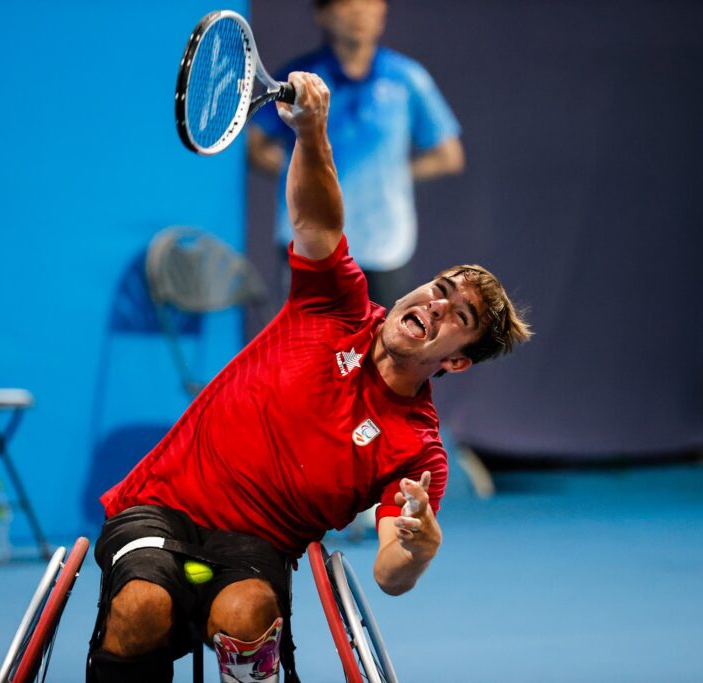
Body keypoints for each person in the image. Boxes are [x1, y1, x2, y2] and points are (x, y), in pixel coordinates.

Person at [86, 72, 530, 683]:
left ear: (456, 360)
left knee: (246, 614)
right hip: (161, 504)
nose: (436, 304)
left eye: (460, 316)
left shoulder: (415, 449)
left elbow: (389, 570)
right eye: (441, 288)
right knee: (143, 607)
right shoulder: (336, 305)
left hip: (256, 544)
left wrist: (418, 547)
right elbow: (318, 221)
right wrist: (311, 130)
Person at [249, 0, 464, 310]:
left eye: (371, 3)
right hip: (311, 247)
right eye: (349, 4)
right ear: (322, 14)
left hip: (386, 248)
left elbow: (448, 155)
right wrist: (309, 180)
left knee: (378, 354)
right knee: (309, 354)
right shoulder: (300, 82)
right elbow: (256, 146)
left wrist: (388, 177)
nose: (361, 13)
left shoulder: (407, 78)